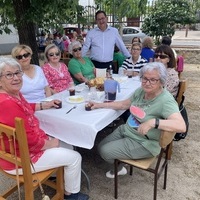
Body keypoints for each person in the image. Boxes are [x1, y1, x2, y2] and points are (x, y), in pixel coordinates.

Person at [0, 57, 89, 200]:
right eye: (9, 75)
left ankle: (54, 175)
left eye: (17, 73)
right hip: (20, 159)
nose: (16, 78)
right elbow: (29, 139)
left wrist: (44, 105)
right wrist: (49, 144)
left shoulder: (12, 95)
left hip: (18, 151)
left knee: (69, 146)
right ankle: (71, 195)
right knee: (75, 157)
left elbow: (25, 107)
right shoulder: (7, 103)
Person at [89, 62, 186, 178]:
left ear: (161, 81)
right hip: (127, 130)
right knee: (100, 147)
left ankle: (120, 168)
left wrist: (153, 122)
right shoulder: (141, 91)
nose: (147, 83)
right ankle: (122, 160)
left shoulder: (165, 100)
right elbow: (124, 104)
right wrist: (98, 105)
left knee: (105, 151)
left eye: (153, 80)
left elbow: (181, 125)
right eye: (145, 78)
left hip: (144, 142)